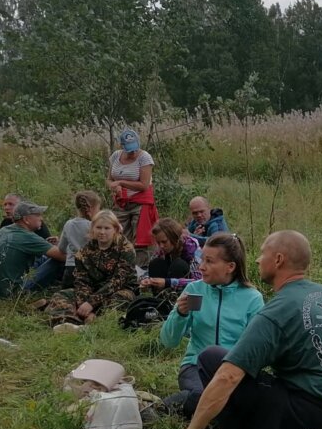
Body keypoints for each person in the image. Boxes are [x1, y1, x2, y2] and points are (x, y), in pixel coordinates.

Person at [169, 230, 322, 429]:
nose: (258, 260)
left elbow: (228, 376)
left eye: (262, 253)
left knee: (211, 357)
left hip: (308, 421)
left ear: (278, 260)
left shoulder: (277, 309)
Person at [159, 233, 265, 418]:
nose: (201, 267)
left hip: (233, 372)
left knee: (231, 400)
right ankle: (158, 410)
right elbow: (168, 341)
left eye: (209, 261)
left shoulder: (252, 298)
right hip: (194, 367)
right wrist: (180, 314)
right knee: (204, 395)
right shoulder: (195, 290)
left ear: (230, 267)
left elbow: (257, 348)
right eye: (202, 260)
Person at [45, 210, 138, 327]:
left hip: (119, 289)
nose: (102, 232)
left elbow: (118, 281)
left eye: (107, 228)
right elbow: (81, 281)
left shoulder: (126, 248)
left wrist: (91, 303)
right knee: (62, 295)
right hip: (93, 290)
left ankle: (97, 323)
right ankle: (71, 323)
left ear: (115, 229)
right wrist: (84, 303)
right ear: (93, 228)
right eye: (98, 227)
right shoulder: (84, 252)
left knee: (119, 299)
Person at [0, 201, 66, 299]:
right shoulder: (27, 237)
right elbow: (63, 256)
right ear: (26, 219)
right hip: (13, 294)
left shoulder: (4, 230)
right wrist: (63, 244)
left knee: (44, 257)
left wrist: (46, 245)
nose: (41, 218)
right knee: (57, 261)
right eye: (38, 215)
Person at [106, 128, 158, 258]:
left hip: (141, 203)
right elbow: (109, 179)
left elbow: (144, 185)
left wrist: (121, 183)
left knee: (141, 239)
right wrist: (113, 186)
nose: (133, 152)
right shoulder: (116, 156)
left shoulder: (145, 157)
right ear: (122, 146)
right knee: (119, 237)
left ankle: (142, 268)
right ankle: (123, 266)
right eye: (129, 149)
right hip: (121, 202)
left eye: (135, 148)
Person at [140, 217, 203, 295]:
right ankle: (159, 298)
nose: (161, 246)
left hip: (188, 293)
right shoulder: (160, 251)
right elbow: (147, 271)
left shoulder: (193, 250)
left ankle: (174, 298)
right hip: (167, 284)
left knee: (178, 265)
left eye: (164, 242)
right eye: (158, 243)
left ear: (174, 238)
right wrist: (146, 279)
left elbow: (200, 282)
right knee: (155, 263)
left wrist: (168, 282)